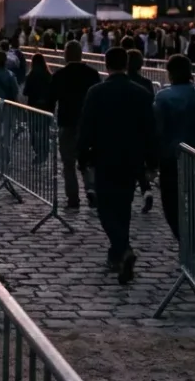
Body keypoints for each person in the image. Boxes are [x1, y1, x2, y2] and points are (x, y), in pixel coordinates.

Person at [77, 47, 157, 284]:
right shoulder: (141, 93)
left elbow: (86, 125)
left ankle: (123, 248)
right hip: (131, 158)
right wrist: (152, 161)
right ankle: (118, 252)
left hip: (105, 157)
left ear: (107, 64)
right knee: (123, 206)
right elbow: (150, 130)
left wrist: (82, 155)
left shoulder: (96, 92)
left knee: (105, 208)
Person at [152, 55, 195, 240]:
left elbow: (158, 128)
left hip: (171, 156)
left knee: (170, 199)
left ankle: (181, 235)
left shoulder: (163, 97)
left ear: (170, 73)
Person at [49, 41, 101, 209]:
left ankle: (73, 198)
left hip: (66, 122)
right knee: (88, 159)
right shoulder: (92, 74)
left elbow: (51, 100)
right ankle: (91, 188)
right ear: (81, 54)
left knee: (68, 163)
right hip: (88, 123)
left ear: (65, 55)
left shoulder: (59, 75)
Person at [125, 49, 155, 213]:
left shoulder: (124, 82)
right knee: (138, 162)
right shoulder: (146, 83)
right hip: (142, 128)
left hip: (126, 127)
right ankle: (146, 190)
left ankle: (135, 193)